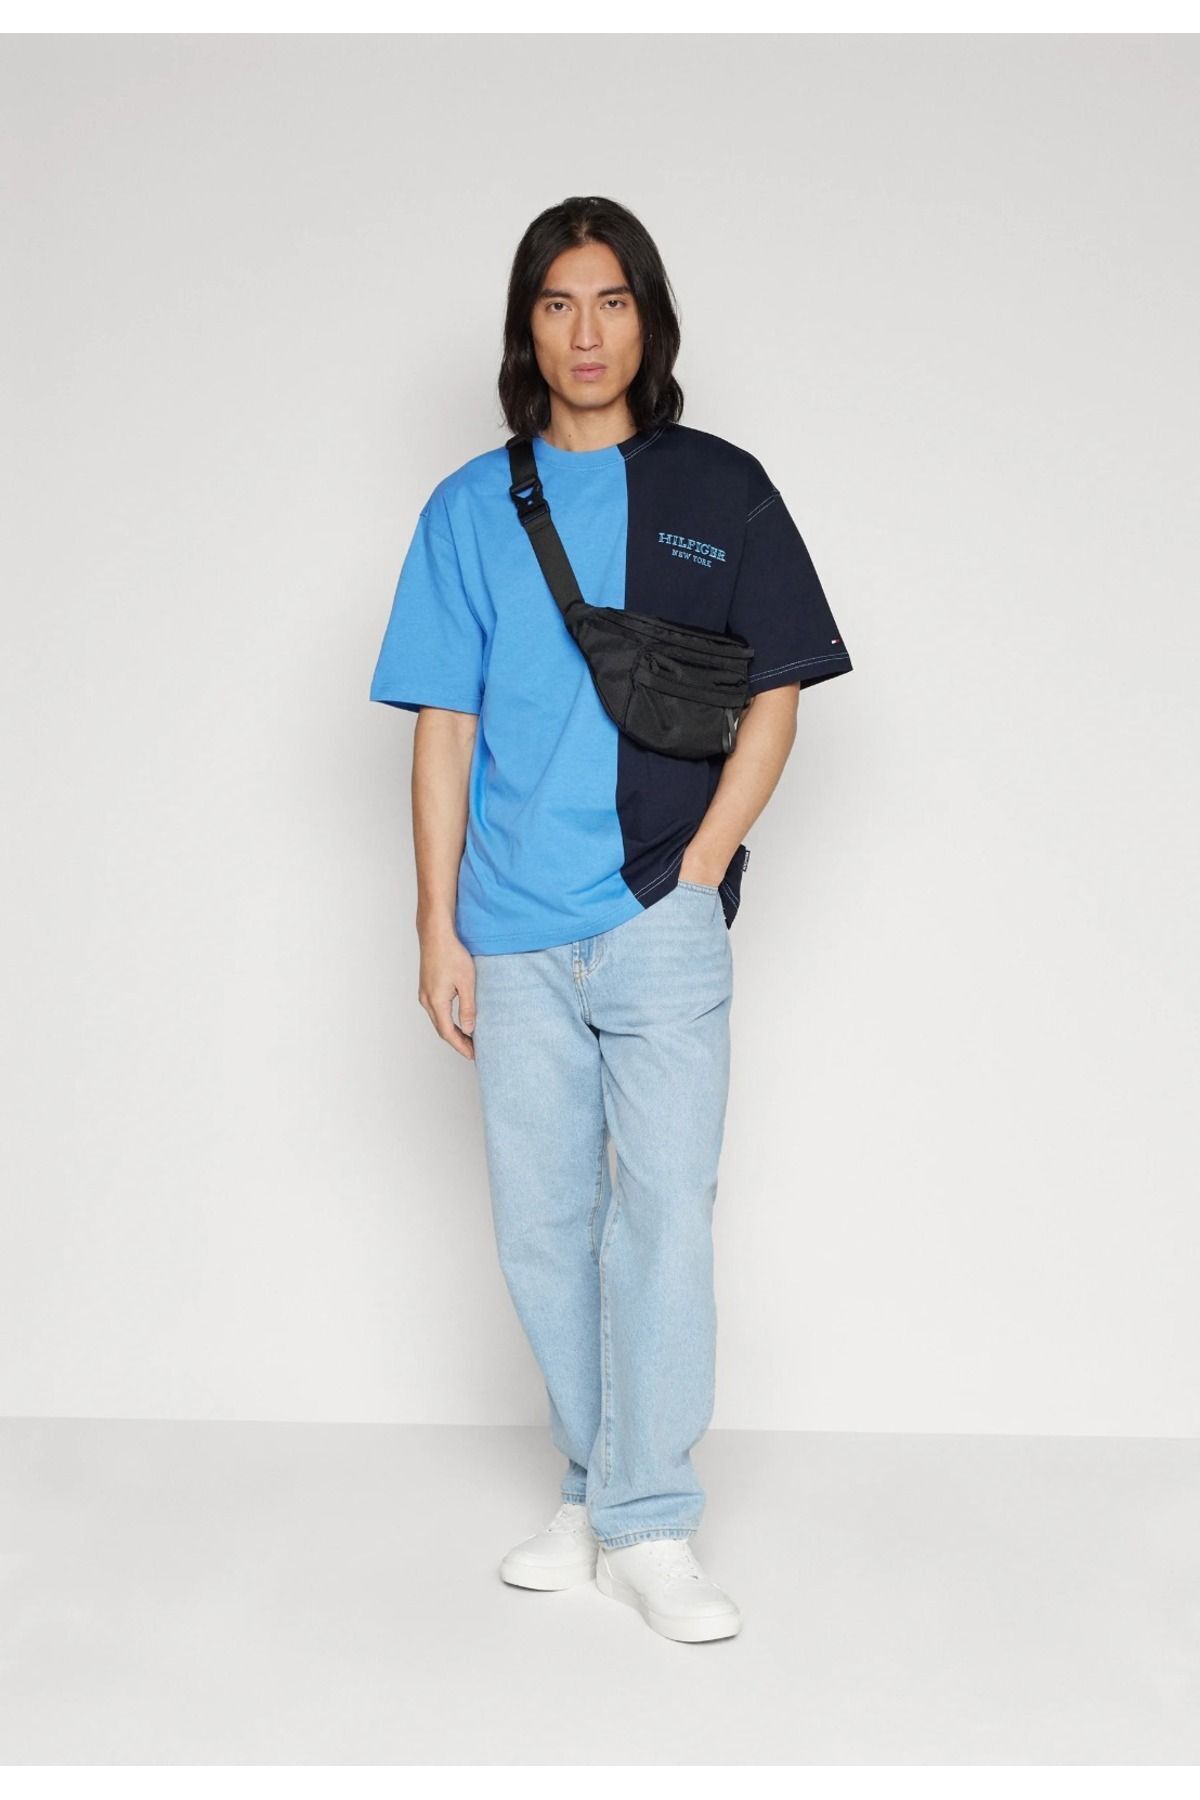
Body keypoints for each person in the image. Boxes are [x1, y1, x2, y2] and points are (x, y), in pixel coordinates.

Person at [369, 196, 853, 1643]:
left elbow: (779, 691)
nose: (586, 333)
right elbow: (443, 728)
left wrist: (702, 862)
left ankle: (646, 1521)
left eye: (613, 301)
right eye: (558, 303)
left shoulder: (719, 486)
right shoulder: (469, 507)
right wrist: (436, 927)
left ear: (650, 320)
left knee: (665, 1218)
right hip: (509, 933)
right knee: (541, 1227)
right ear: (527, 328)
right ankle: (598, 1487)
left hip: (658, 914)